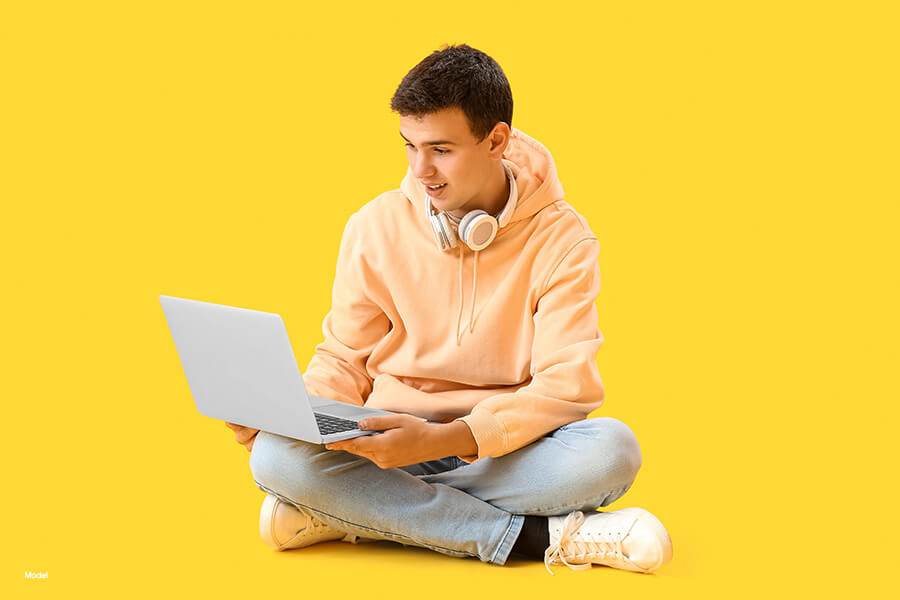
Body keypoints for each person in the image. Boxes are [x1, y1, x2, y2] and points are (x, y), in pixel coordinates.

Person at [226, 44, 673, 574]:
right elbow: (343, 359)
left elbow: (564, 387)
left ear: (497, 141)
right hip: (384, 436)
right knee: (275, 454)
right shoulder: (373, 226)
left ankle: (355, 512)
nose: (422, 171)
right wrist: (289, 415)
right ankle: (533, 538)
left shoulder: (565, 241)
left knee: (610, 452)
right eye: (410, 147)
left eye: (441, 149)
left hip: (502, 447)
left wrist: (450, 437)